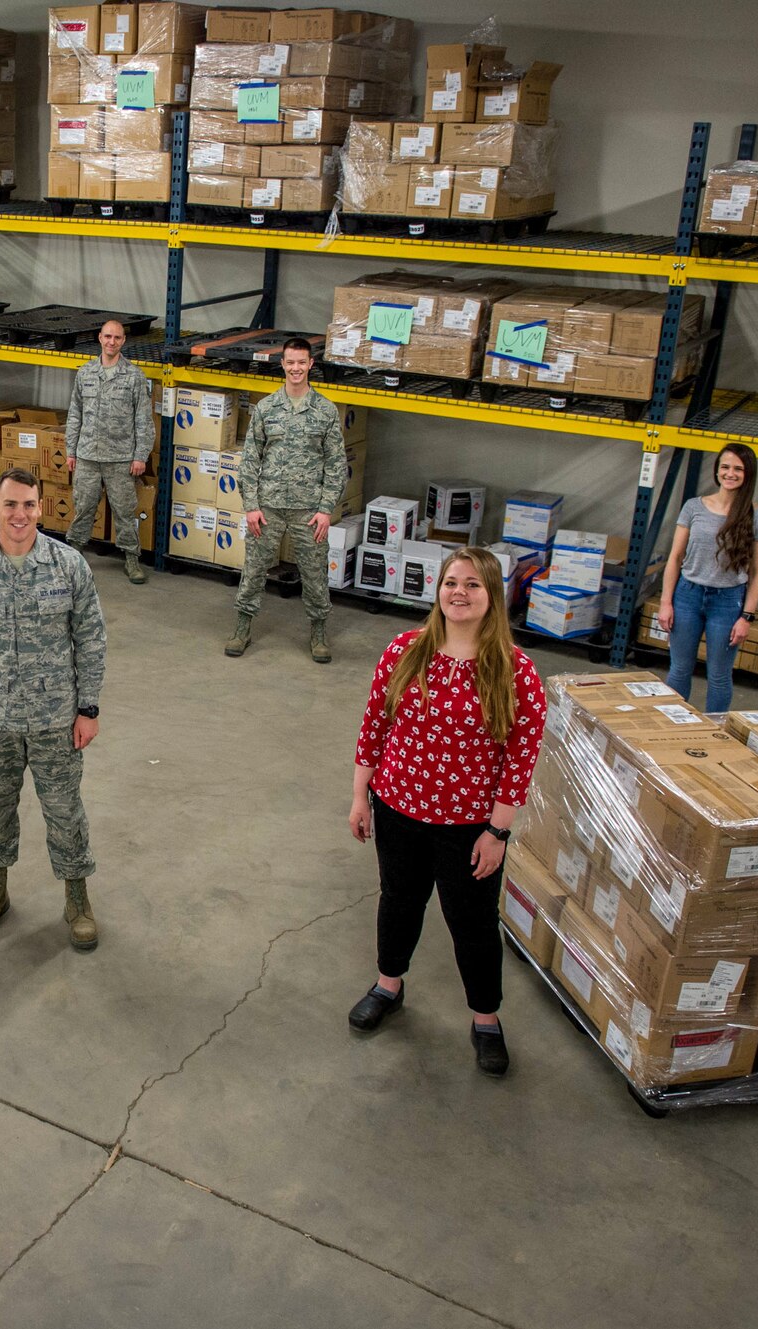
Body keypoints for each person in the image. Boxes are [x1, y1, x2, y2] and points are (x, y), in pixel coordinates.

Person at [346, 547, 546, 1078]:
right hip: (398, 808)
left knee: (473, 923)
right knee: (399, 901)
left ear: (492, 596)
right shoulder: (406, 650)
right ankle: (389, 985)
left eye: (473, 585)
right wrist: (360, 796)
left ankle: (486, 1019)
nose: (459, 592)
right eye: (451, 582)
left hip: (468, 828)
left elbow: (519, 759)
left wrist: (497, 831)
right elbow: (375, 727)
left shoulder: (515, 670)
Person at [0, 468, 108, 952]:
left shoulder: (68, 565)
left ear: (41, 508)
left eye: (29, 505)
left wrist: (88, 708)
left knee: (64, 811)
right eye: (10, 504)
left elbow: (91, 639)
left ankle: (77, 899)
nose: (20, 515)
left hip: (57, 718)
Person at [226, 338, 347, 664]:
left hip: (309, 511)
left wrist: (325, 510)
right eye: (290, 362)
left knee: (314, 574)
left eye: (301, 362)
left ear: (310, 365)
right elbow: (250, 461)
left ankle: (319, 633)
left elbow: (336, 466)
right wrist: (251, 505)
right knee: (253, 571)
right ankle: (242, 628)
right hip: (268, 508)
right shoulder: (266, 408)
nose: (295, 368)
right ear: (282, 364)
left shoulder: (325, 411)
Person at [657, 444, 758, 715]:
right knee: (679, 669)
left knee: (719, 676)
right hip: (687, 596)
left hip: (727, 602)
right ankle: (670, 728)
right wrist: (666, 602)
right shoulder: (693, 507)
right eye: (725, 467)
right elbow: (675, 558)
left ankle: (714, 733)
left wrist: (747, 617)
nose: (729, 473)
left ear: (748, 474)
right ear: (717, 470)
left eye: (737, 469)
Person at [63, 318, 155, 585]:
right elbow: (75, 415)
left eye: (117, 338)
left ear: (123, 341)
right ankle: (74, 555)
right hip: (88, 456)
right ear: (99, 338)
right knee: (83, 508)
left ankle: (131, 559)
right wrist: (71, 451)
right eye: (107, 337)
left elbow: (143, 421)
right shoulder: (86, 373)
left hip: (120, 458)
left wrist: (141, 456)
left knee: (125, 511)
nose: (111, 342)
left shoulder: (134, 377)